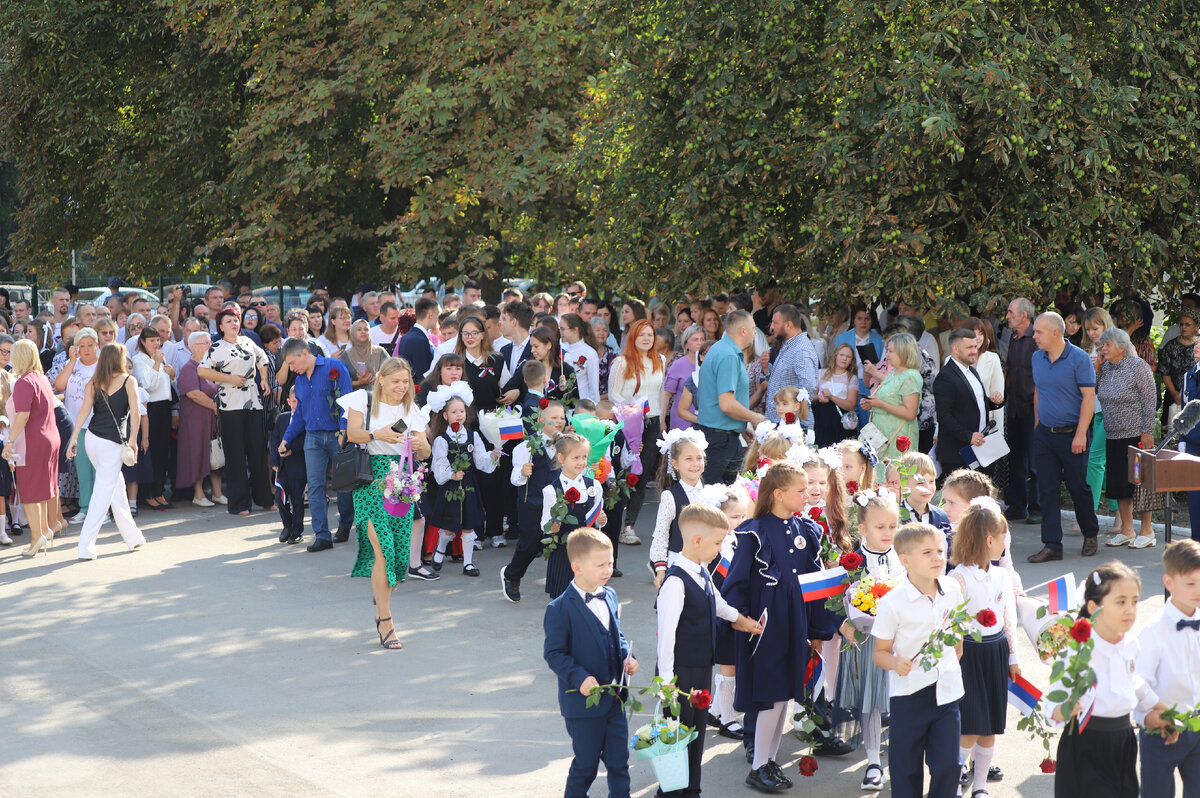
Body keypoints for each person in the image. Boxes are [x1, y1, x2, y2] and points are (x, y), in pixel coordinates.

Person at [656, 503, 761, 798]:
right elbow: (665, 637)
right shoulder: (675, 582)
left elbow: (719, 604)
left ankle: (692, 790)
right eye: (718, 542)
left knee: (695, 736)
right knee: (676, 737)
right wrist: (666, 682)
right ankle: (672, 792)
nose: (720, 549)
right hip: (678, 674)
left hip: (701, 667)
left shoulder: (701, 570)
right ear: (697, 540)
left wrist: (743, 622)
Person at [1044, 562, 1172, 798]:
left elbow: (1136, 684)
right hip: (1086, 742)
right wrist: (1066, 708)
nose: (1130, 609)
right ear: (1094, 607)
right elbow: (1051, 705)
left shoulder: (1131, 644)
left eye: (1134, 601)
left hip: (1122, 740)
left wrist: (1166, 710)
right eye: (1120, 602)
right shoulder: (1076, 651)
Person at [339, 357, 437, 648]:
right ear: (381, 378)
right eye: (395, 381)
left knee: (397, 555)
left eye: (405, 381)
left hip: (400, 483)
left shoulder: (412, 409)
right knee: (383, 548)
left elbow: (425, 452)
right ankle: (386, 621)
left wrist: (422, 445)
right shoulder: (363, 399)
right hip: (370, 480)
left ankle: (380, 589)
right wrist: (375, 434)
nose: (401, 386)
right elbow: (351, 435)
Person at [543, 528, 638, 798]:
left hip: (615, 698)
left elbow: (615, 635)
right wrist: (579, 676)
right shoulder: (559, 609)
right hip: (582, 704)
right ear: (577, 567)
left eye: (610, 562)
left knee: (620, 761)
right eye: (601, 565)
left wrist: (627, 657)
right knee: (586, 764)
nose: (608, 569)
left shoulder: (609, 595)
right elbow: (555, 653)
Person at [871, 522, 965, 798]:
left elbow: (957, 625)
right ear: (905, 560)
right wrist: (896, 663)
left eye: (940, 550)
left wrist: (957, 648)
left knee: (949, 764)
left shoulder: (952, 588)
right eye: (927, 553)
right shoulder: (893, 602)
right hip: (909, 695)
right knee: (906, 769)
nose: (937, 557)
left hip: (947, 692)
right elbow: (880, 652)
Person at [947, 501, 1020, 797]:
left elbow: (1007, 618)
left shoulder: (1002, 576)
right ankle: (951, 783)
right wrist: (956, 643)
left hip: (996, 652)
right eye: (1003, 537)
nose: (1006, 543)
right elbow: (949, 620)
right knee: (970, 724)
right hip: (969, 656)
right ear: (989, 540)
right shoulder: (959, 578)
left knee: (990, 723)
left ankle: (979, 787)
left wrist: (1013, 657)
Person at [831, 490, 902, 791]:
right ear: (863, 529)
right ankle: (873, 762)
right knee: (871, 701)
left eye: (892, 526)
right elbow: (832, 601)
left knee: (901, 700)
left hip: (902, 642)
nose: (888, 533)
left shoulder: (905, 554)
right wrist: (843, 624)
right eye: (880, 527)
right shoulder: (850, 562)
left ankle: (901, 758)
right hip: (867, 643)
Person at [1026, 312, 1100, 563]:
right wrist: (1038, 425)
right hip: (1045, 435)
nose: (1034, 336)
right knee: (1047, 490)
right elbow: (1039, 391)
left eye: (1038, 332)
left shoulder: (1079, 359)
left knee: (1078, 487)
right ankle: (1052, 544)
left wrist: (1081, 434)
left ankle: (1090, 533)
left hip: (1072, 435)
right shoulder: (1037, 357)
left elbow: (1089, 398)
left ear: (1056, 333)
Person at [69, 343, 147, 561]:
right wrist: (132, 440)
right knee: (103, 493)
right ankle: (86, 545)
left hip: (91, 439)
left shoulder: (94, 381)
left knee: (116, 489)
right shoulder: (129, 380)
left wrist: (74, 438)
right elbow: (136, 413)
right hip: (111, 443)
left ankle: (133, 537)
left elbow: (84, 411)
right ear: (119, 359)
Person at [276, 337, 354, 551]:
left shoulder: (334, 367)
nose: (291, 368)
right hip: (312, 436)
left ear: (303, 353)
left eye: (292, 363)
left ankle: (345, 524)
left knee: (345, 483)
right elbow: (299, 413)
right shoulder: (300, 381)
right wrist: (287, 438)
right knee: (316, 485)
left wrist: (344, 430)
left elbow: (348, 399)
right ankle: (322, 535)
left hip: (337, 434)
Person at [1137, 540, 1200, 798]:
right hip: (1160, 729)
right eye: (1190, 583)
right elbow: (1137, 682)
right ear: (1168, 583)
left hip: (1196, 728)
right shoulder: (1153, 631)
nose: (1198, 589)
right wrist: (1151, 714)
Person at [199, 309, 273, 518]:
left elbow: (263, 358)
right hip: (230, 403)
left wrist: (264, 379)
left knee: (258, 451)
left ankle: (264, 498)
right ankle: (240, 503)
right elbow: (202, 370)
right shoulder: (216, 347)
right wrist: (230, 379)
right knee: (236, 454)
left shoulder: (248, 341)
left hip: (252, 402)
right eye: (228, 321)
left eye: (235, 320)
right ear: (220, 326)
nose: (234, 324)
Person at [426, 382, 499, 576]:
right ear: (445, 416)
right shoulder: (442, 440)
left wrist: (492, 455)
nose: (459, 415)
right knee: (449, 527)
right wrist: (451, 474)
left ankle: (468, 563)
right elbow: (438, 466)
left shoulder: (473, 436)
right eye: (454, 412)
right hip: (451, 486)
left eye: (461, 411)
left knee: (469, 526)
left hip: (468, 486)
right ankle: (440, 550)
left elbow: (480, 460)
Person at [1096, 327, 1159, 549]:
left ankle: (1147, 531)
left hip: (1136, 436)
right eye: (1102, 345)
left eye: (1107, 345)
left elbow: (1150, 400)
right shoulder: (1106, 368)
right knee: (1119, 483)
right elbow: (1094, 392)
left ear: (1121, 347)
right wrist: (1097, 369)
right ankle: (1127, 530)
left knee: (1140, 483)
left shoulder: (1137, 366)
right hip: (1113, 435)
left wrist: (1147, 431)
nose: (1103, 349)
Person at [501, 400, 568, 603]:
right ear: (540, 420)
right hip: (532, 502)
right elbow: (514, 479)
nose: (559, 421)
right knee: (530, 544)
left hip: (558, 503)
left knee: (559, 543)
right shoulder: (526, 446)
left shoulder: (567, 443)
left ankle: (559, 586)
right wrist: (522, 472)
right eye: (553, 417)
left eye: (562, 417)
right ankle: (511, 575)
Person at [608, 319, 666, 542]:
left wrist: (660, 420)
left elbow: (660, 392)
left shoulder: (660, 360)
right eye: (641, 334)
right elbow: (613, 393)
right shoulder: (621, 362)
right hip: (629, 423)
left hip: (652, 423)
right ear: (633, 337)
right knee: (623, 472)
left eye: (650, 335)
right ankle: (611, 522)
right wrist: (633, 409)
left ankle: (629, 526)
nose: (646, 339)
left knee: (641, 475)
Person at [5, 340, 62, 555]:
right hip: (50, 437)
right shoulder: (42, 379)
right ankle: (46, 528)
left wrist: (9, 441)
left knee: (29, 490)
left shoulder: (24, 382)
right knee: (46, 487)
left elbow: (23, 415)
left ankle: (37, 537)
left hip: (32, 440)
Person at [697, 310, 765, 485]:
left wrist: (742, 426)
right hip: (719, 439)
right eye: (753, 328)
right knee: (712, 499)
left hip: (723, 435)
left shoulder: (723, 350)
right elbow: (726, 404)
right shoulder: (727, 355)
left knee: (731, 497)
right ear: (743, 331)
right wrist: (756, 418)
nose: (755, 333)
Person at [540, 433, 606, 598]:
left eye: (584, 457)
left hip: (589, 550)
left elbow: (598, 517)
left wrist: (601, 520)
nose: (582, 462)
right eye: (576, 458)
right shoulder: (551, 490)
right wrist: (551, 527)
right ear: (561, 458)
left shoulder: (594, 486)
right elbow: (545, 523)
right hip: (564, 552)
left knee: (588, 594)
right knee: (563, 596)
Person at [933, 328, 1005, 477]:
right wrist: (968, 436)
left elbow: (974, 404)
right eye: (969, 347)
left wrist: (993, 403)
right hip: (956, 452)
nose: (974, 351)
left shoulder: (971, 371)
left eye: (975, 346)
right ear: (955, 349)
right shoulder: (945, 377)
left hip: (979, 449)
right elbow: (944, 416)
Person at [649, 428, 707, 585]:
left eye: (699, 458)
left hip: (707, 564)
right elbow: (661, 535)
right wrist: (661, 570)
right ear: (675, 464)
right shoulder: (671, 496)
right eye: (688, 459)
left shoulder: (711, 493)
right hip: (679, 564)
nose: (695, 464)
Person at [55, 328, 100, 523]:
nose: (86, 349)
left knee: (98, 468)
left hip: (98, 424)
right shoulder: (70, 364)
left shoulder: (103, 366)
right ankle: (85, 507)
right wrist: (72, 361)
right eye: (82, 346)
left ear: (97, 345)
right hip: (77, 425)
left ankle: (101, 510)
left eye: (90, 345)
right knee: (82, 468)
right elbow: (60, 385)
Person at [176, 330, 224, 507]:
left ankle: (217, 492)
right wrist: (214, 406)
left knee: (215, 453)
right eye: (206, 343)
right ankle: (199, 493)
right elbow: (194, 394)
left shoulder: (211, 366)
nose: (210, 345)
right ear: (194, 346)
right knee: (198, 453)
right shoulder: (189, 368)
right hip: (196, 419)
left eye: (210, 342)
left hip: (212, 418)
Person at [1003, 297, 1041, 524]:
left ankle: (1037, 507)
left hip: (1032, 408)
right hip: (1014, 406)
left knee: (1035, 460)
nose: (1007, 316)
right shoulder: (1015, 338)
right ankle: (1017, 506)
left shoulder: (1036, 339)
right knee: (1015, 458)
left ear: (1024, 316)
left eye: (1010, 312)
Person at [130, 324, 175, 509]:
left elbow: (165, 384)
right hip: (151, 408)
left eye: (158, 340)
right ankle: (149, 493)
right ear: (143, 342)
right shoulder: (138, 360)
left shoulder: (160, 357)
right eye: (152, 340)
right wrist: (157, 364)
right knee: (152, 453)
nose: (156, 344)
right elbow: (148, 385)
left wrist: (171, 374)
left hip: (164, 406)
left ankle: (159, 491)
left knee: (163, 453)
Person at [861, 332, 922, 462]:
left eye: (890, 351)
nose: (886, 355)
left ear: (903, 352)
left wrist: (881, 404)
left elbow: (910, 413)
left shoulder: (910, 376)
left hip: (896, 440)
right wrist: (871, 403)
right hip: (881, 437)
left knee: (894, 477)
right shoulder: (894, 372)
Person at [763, 304, 819, 429]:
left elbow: (807, 387)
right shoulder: (789, 345)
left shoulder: (801, 350)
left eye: (775, 323)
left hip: (791, 427)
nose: (771, 327)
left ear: (788, 325)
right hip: (780, 424)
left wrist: (791, 421)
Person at [1159, 306, 1199, 423]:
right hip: (1174, 395)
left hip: (1196, 397)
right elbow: (1164, 371)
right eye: (1181, 324)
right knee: (1171, 430)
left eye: (1188, 324)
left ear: (1196, 327)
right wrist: (1174, 393)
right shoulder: (1171, 346)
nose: (1183, 327)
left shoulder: (1198, 346)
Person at [662, 324, 704, 431]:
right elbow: (666, 395)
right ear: (686, 345)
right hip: (682, 421)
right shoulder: (679, 364)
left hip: (704, 422)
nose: (699, 343)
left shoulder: (709, 364)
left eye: (702, 339)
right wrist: (661, 422)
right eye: (695, 339)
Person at [560, 313, 600, 404]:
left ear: (575, 330)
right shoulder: (562, 349)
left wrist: (590, 409)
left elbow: (593, 388)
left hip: (582, 405)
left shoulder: (590, 353)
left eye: (562, 329)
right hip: (563, 405)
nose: (560, 332)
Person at [339, 319, 388, 390]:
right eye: (359, 329)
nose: (363, 332)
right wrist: (360, 382)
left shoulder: (380, 352)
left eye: (366, 329)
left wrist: (376, 378)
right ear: (353, 333)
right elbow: (341, 382)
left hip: (378, 395)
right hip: (354, 397)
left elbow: (391, 372)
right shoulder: (346, 355)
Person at [396, 297, 438, 379]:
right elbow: (421, 375)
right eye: (437, 314)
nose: (437, 318)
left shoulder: (406, 337)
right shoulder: (420, 340)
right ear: (430, 314)